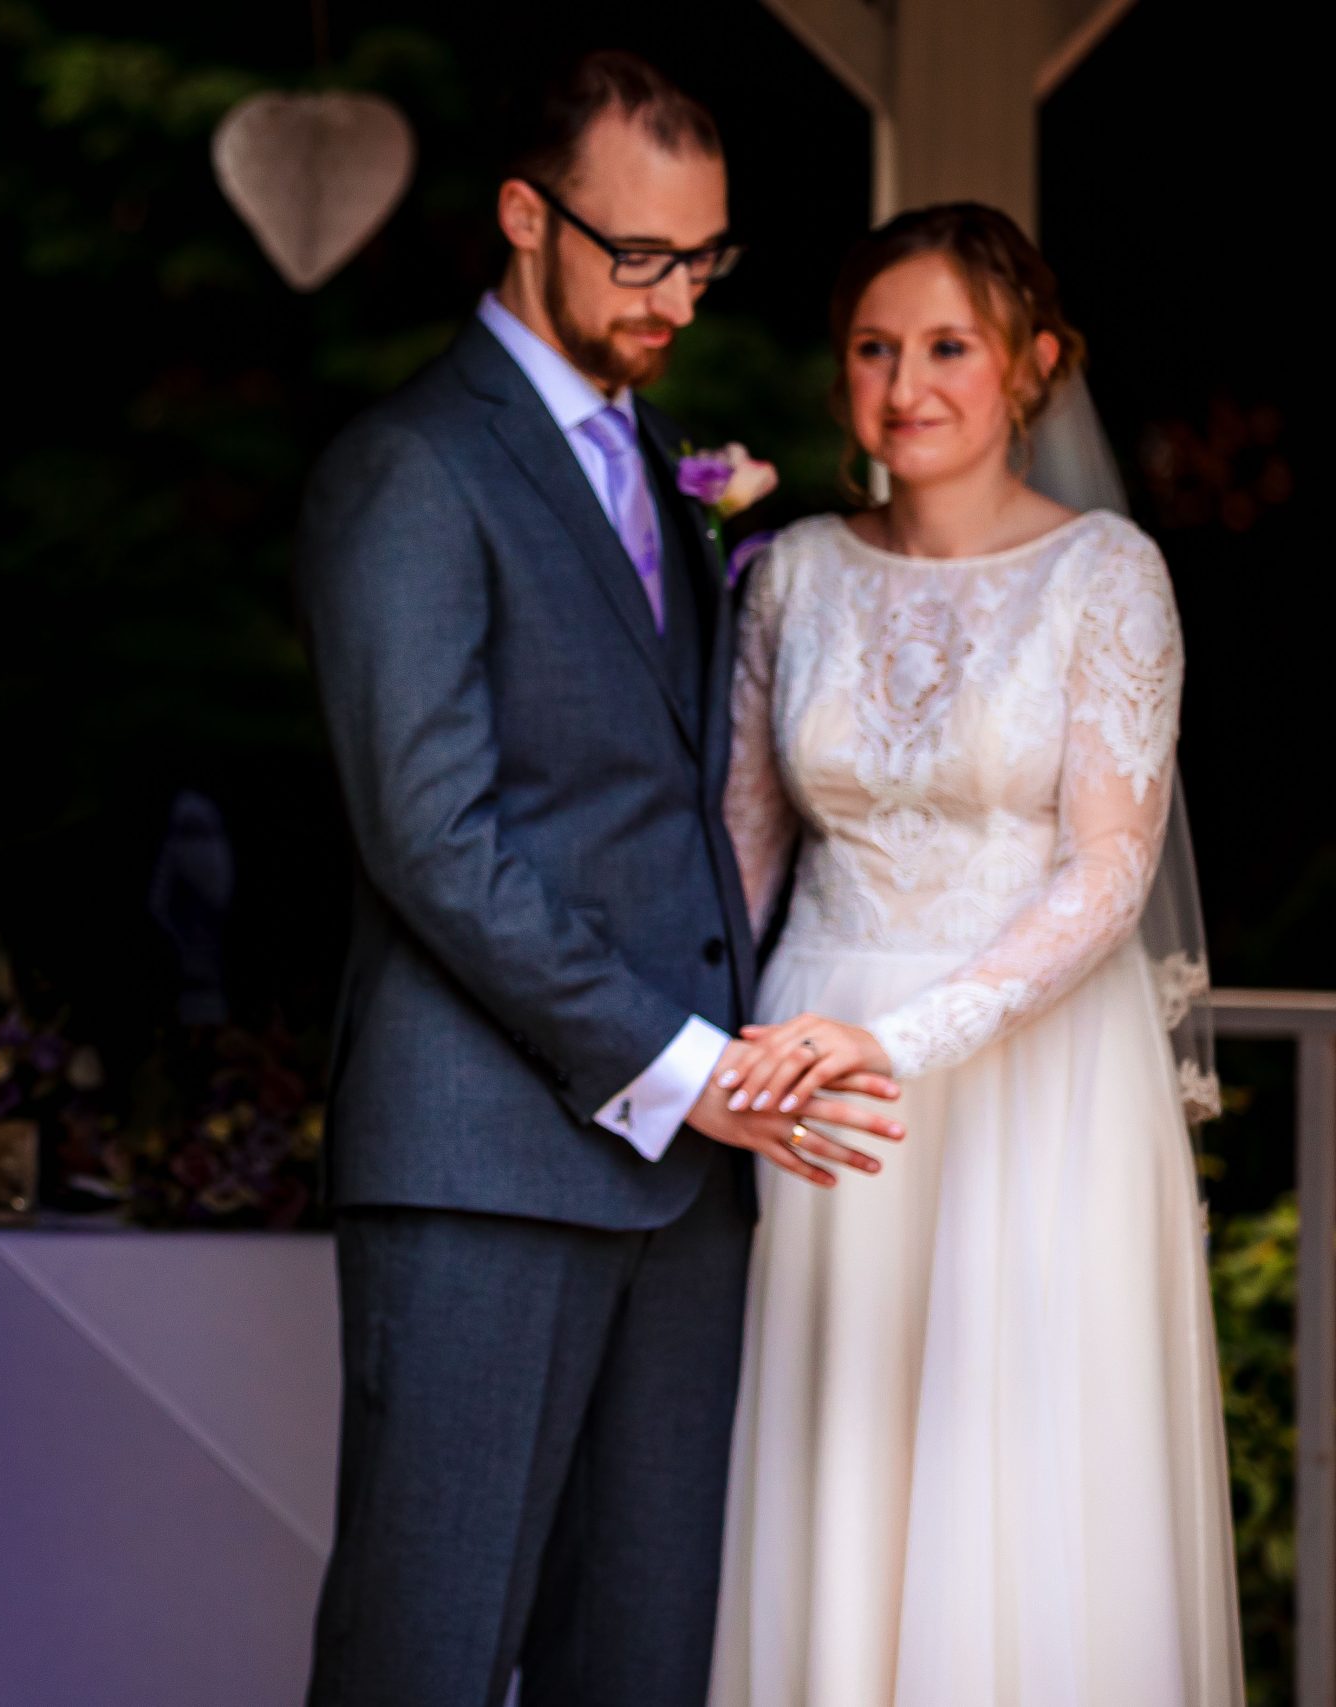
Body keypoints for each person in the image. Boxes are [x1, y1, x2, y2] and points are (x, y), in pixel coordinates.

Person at [295, 52, 903, 1706]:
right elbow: (435, 836)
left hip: (690, 1183)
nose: (675, 300)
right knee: (424, 1654)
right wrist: (688, 1067)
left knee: (637, 1662)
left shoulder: (663, 464)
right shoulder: (410, 472)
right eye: (639, 256)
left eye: (703, 261)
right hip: (488, 1159)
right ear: (522, 216)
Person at [706, 204, 1243, 1705]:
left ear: (1032, 365)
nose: (906, 382)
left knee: (1012, 1483)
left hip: (1028, 1076)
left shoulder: (1107, 572)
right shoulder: (792, 573)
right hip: (813, 1069)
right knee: (835, 1457)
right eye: (874, 347)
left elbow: (1108, 868)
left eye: (948, 344)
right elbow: (743, 861)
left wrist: (911, 1036)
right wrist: (698, 1052)